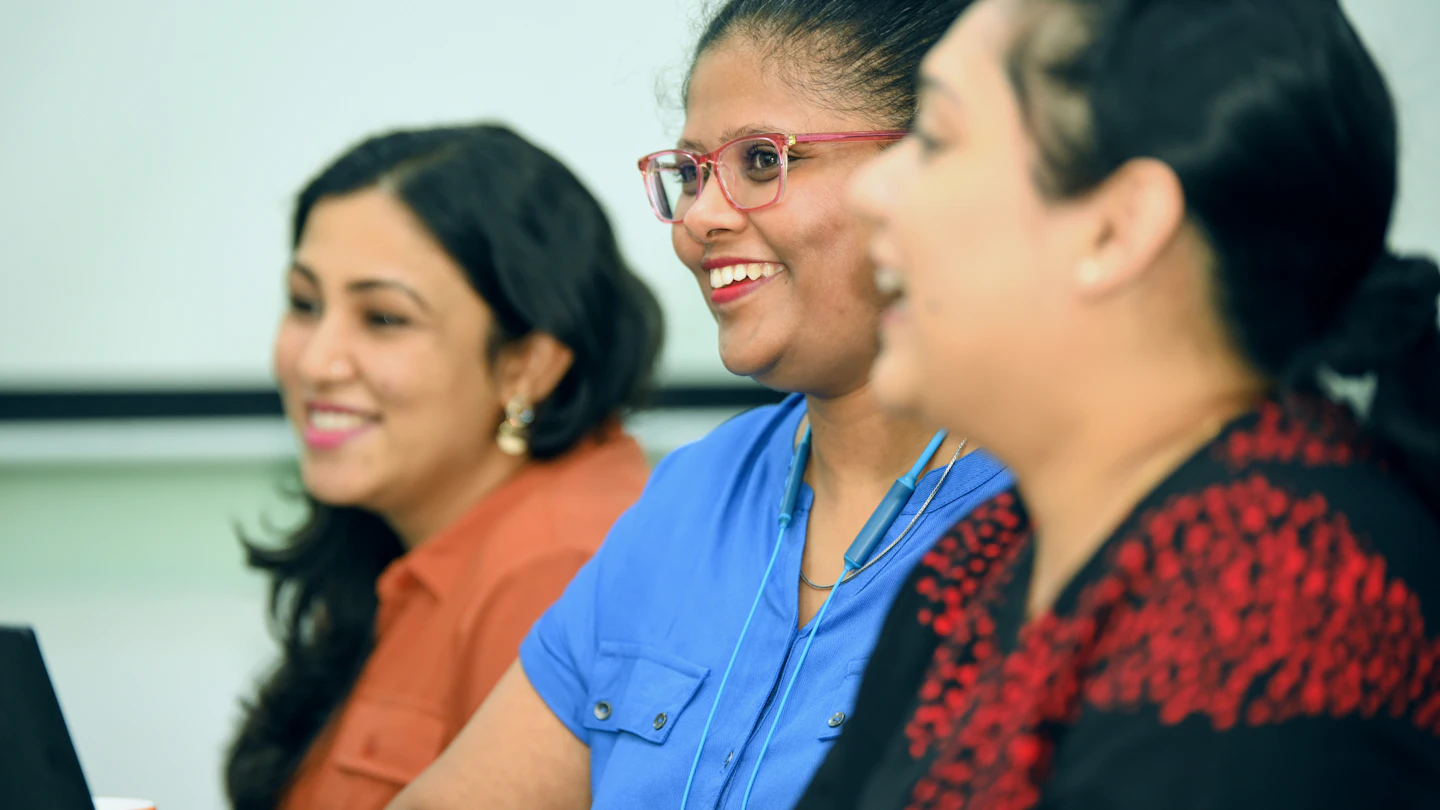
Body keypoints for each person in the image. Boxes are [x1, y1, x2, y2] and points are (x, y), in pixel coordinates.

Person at [798, 0, 1440, 807]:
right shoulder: (979, 565)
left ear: (1117, 229)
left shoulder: (1283, 599)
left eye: (934, 138)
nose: (872, 191)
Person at [387, 2, 1010, 809]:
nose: (698, 218)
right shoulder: (695, 495)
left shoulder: (1063, 506)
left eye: (760, 161)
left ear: (941, 169)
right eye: (691, 173)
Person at [224, 123, 663, 810]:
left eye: (384, 319)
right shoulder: (402, 524)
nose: (315, 362)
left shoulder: (554, 567)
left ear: (528, 364)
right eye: (305, 304)